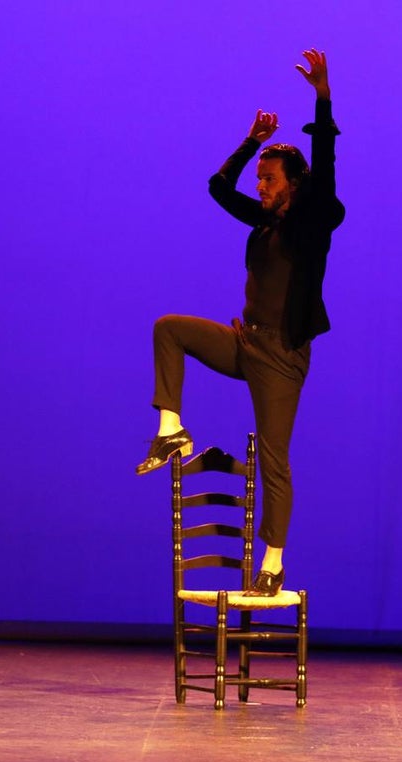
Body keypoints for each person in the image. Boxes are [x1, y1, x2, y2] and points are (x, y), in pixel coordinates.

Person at [137, 48, 345, 597]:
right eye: (260, 178)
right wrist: (252, 142)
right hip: (243, 341)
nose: (261, 186)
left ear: (294, 184)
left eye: (270, 179)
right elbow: (218, 187)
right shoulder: (264, 221)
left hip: (280, 356)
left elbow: (324, 166)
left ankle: (272, 564)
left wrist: (322, 99)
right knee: (169, 328)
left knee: (274, 460)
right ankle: (171, 431)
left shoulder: (311, 223)